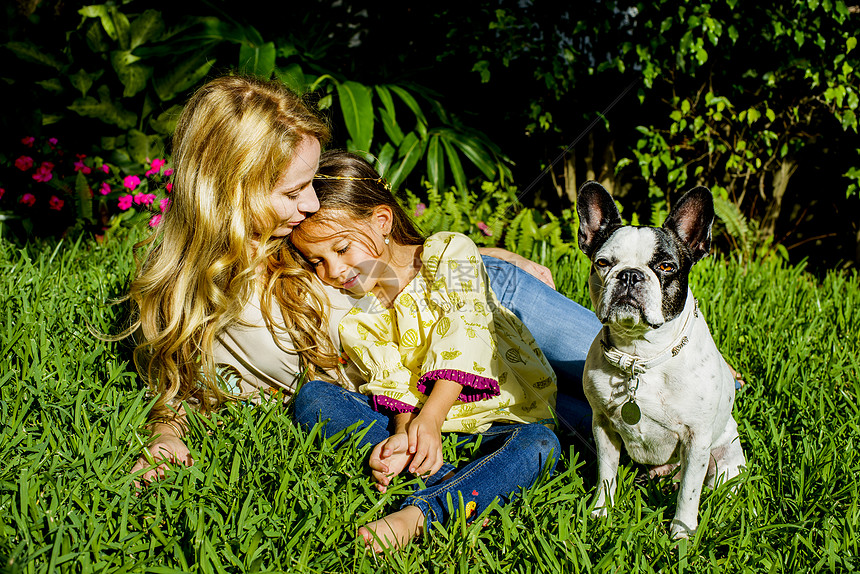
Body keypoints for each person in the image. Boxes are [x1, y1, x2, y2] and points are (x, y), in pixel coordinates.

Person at [127, 74, 602, 485]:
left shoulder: (291, 234)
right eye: (294, 190)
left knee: (641, 372)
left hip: (476, 310)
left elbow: (390, 268)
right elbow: (181, 386)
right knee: (600, 433)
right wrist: (166, 433)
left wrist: (479, 257)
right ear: (234, 192)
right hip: (461, 395)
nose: (312, 203)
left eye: (311, 184)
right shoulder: (207, 288)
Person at [289, 150, 563, 550]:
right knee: (314, 397)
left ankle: (422, 514)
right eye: (318, 260)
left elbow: (466, 328)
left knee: (541, 445)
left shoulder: (451, 251)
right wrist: (404, 433)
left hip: (502, 420)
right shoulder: (359, 313)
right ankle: (462, 478)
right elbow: (390, 377)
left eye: (342, 248)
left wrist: (431, 417)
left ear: (381, 221)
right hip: (425, 428)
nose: (332, 271)